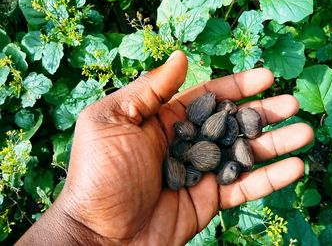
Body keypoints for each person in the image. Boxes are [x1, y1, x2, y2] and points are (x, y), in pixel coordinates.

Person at [17, 51, 313, 245]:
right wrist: (82, 226)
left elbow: (219, 150)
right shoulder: (190, 145)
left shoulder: (208, 138)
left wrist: (81, 229)